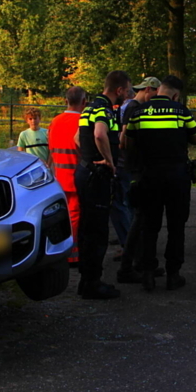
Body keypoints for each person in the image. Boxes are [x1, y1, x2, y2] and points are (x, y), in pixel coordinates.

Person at [124, 75, 196, 292]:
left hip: (149, 175)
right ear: (176, 95)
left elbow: (127, 142)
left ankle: (148, 275)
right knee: (176, 227)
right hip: (177, 176)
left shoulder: (138, 112)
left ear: (159, 90)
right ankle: (173, 275)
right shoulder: (181, 111)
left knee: (150, 227)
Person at [74, 70, 131, 300]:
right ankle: (93, 283)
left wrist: (87, 159)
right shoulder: (104, 109)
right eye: (126, 90)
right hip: (97, 176)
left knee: (87, 228)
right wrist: (108, 161)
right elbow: (99, 134)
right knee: (97, 231)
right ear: (119, 90)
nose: (127, 95)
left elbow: (77, 139)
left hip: (85, 171)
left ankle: (85, 279)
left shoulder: (88, 107)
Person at [115, 76, 162, 283]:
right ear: (149, 90)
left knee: (138, 216)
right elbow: (124, 139)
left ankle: (140, 262)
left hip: (129, 167)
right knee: (138, 217)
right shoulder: (134, 107)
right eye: (157, 94)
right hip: (132, 169)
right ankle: (134, 264)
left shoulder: (130, 106)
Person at [47, 86, 87, 264]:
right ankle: (73, 253)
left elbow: (51, 149)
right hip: (76, 176)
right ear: (84, 102)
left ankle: (64, 248)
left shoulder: (55, 121)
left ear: (66, 101)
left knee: (64, 215)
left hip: (59, 177)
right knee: (76, 215)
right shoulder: (82, 122)